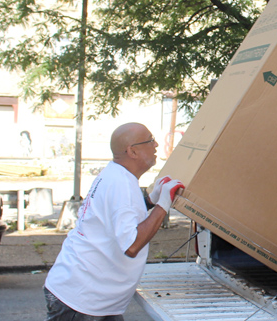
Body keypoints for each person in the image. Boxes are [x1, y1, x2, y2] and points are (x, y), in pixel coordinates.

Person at [43, 122, 184, 320]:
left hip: (90, 298)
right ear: (132, 151)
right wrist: (163, 205)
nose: (156, 145)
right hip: (82, 302)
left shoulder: (116, 175)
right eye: (150, 140)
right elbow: (132, 245)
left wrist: (150, 200)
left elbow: (116, 217)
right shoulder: (121, 184)